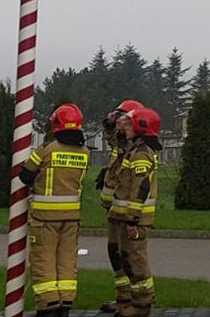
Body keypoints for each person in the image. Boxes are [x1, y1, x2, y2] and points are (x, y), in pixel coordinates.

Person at [20, 103, 89, 317]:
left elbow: (25, 175)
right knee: (68, 261)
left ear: (56, 124)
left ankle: (48, 305)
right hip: (71, 218)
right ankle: (65, 302)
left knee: (44, 260)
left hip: (45, 218)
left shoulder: (47, 150)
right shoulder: (85, 152)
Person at [107, 106, 162, 317]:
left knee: (136, 259)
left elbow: (141, 187)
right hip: (127, 216)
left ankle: (142, 305)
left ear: (141, 128)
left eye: (130, 124)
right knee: (127, 257)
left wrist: (132, 219)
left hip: (135, 219)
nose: (125, 127)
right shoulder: (135, 148)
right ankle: (135, 302)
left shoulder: (140, 153)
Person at [97, 99, 142, 314]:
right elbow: (115, 143)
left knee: (130, 257)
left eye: (123, 118)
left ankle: (137, 302)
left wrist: (133, 216)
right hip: (115, 209)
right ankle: (123, 298)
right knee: (115, 252)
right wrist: (108, 124)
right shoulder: (123, 140)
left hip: (129, 213)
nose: (119, 122)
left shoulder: (139, 144)